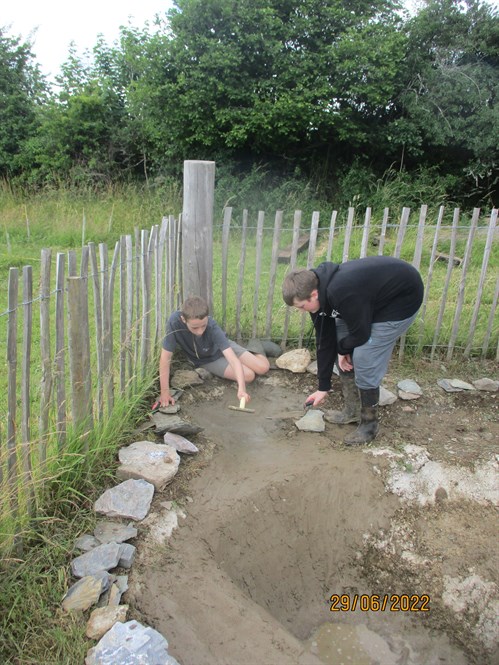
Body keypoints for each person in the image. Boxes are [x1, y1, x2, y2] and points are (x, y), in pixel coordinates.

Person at [282, 256, 424, 445]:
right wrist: (322, 387)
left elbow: (361, 334)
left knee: (365, 356)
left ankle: (369, 424)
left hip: (401, 300)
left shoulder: (342, 292)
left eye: (301, 306)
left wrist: (342, 349)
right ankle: (352, 410)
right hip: (369, 299)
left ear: (314, 294)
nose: (301, 311)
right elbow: (325, 340)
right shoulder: (319, 296)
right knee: (342, 339)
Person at [157, 296, 270, 407]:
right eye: (195, 328)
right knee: (249, 376)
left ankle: (255, 346)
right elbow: (165, 358)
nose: (200, 331)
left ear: (207, 317)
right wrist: (165, 392)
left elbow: (232, 359)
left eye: (203, 326)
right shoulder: (174, 323)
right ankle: (247, 350)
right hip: (206, 359)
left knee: (263, 368)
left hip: (224, 347)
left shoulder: (212, 326)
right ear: (183, 319)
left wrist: (241, 389)